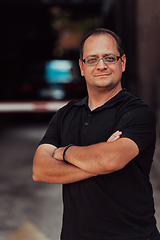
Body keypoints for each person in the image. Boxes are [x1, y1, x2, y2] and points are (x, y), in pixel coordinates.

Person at [32, 28, 160, 240]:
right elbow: (40, 170)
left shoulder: (137, 112)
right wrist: (97, 164)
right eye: (92, 59)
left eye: (109, 58)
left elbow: (109, 160)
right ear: (82, 67)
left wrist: (64, 152)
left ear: (123, 62)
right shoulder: (65, 114)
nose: (101, 65)